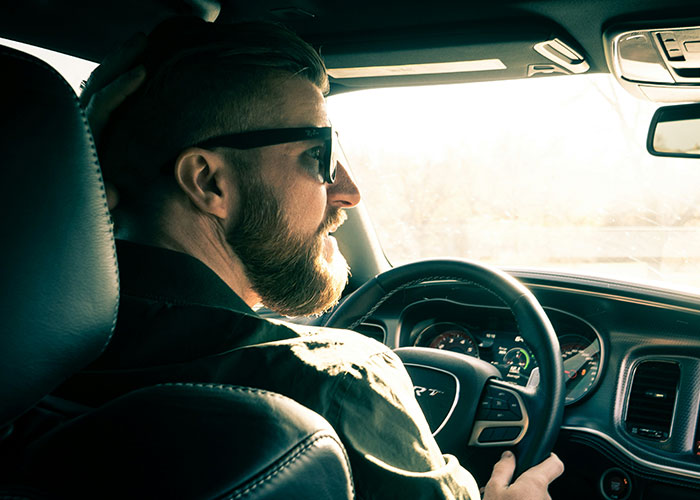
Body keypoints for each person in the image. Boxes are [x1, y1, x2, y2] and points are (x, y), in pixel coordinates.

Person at [60, 17, 564, 499]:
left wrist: (70, 172)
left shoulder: (29, 356)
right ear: (210, 181)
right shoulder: (339, 382)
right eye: (319, 156)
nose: (349, 191)